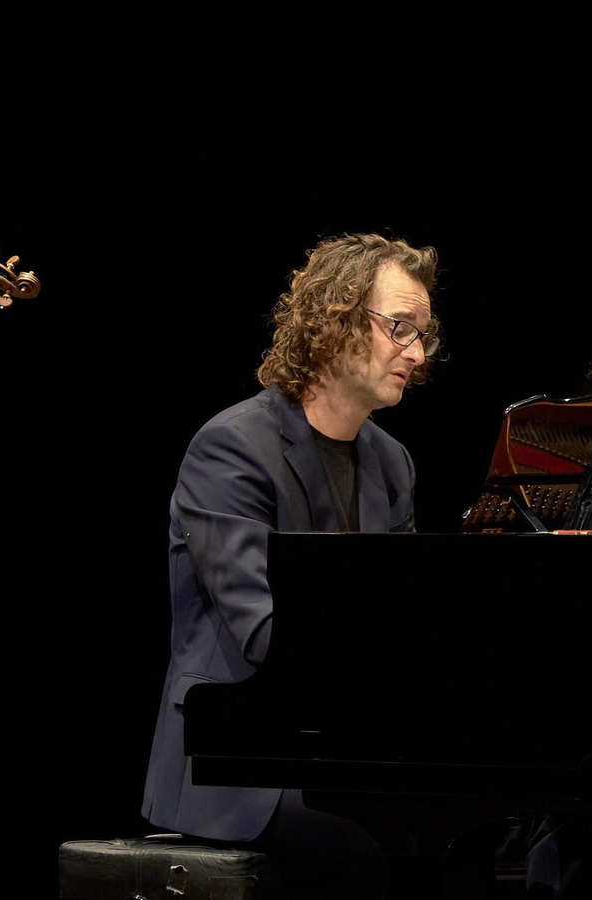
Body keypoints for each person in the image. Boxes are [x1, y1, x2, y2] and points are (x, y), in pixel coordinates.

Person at [141, 233, 440, 899]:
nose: (416, 354)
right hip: (238, 764)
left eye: (423, 335)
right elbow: (265, 633)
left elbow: (405, 619)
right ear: (336, 319)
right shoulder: (231, 450)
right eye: (399, 328)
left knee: (463, 838)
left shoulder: (393, 463)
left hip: (344, 751)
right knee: (366, 848)